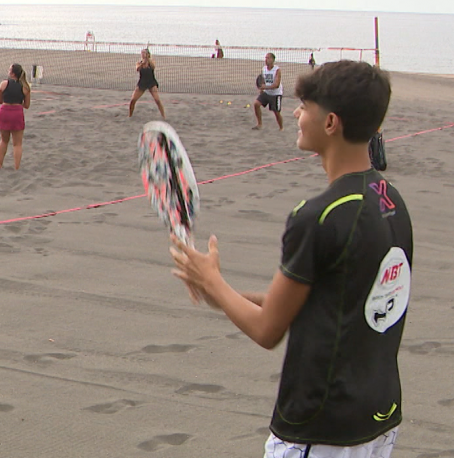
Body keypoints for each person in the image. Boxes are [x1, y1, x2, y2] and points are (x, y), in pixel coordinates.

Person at [170, 60, 407, 458]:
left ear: (330, 122)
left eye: (305, 106)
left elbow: (267, 331)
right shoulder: (390, 201)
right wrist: (223, 292)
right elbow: (330, 303)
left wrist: (212, 280)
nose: (296, 113)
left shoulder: (318, 215)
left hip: (321, 425)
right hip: (377, 419)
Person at [0, 63, 31, 170]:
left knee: (4, 140)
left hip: (5, 112)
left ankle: (0, 164)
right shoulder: (25, 87)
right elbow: (27, 105)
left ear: (12, 73)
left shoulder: (3, 84)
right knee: (17, 144)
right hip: (17, 113)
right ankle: (16, 167)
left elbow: (0, 101)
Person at [128, 49, 165, 119]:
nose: (142, 54)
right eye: (141, 53)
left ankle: (163, 116)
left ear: (147, 54)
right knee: (133, 100)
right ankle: (130, 115)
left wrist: (148, 60)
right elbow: (137, 69)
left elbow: (153, 66)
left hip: (151, 82)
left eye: (144, 53)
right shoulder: (139, 63)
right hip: (142, 83)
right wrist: (143, 63)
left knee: (157, 100)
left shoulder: (151, 62)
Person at [253, 52, 284, 130]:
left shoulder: (277, 70)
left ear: (273, 60)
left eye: (268, 58)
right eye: (265, 58)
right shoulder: (264, 69)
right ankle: (259, 124)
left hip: (276, 94)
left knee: (276, 112)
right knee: (256, 104)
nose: (266, 60)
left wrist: (265, 87)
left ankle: (281, 128)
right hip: (267, 93)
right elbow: (263, 80)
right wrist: (261, 89)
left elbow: (276, 85)